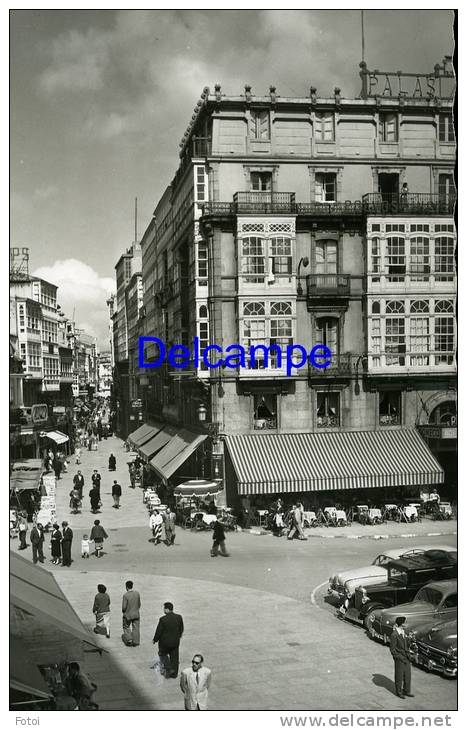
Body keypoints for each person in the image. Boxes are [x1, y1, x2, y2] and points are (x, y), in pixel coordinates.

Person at [152, 602, 184, 678]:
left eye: (164, 608)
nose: (163, 610)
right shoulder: (179, 617)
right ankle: (174, 673)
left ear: (167, 609)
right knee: (175, 657)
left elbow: (159, 631)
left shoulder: (163, 619)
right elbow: (181, 629)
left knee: (162, 654)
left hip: (165, 643)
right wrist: (178, 636)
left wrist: (155, 639)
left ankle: (167, 669)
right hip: (175, 642)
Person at [389, 616, 414, 699]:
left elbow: (406, 645)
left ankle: (407, 690)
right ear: (402, 624)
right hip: (399, 658)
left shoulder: (404, 632)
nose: (406, 624)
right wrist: (399, 657)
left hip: (406, 657)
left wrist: (409, 639)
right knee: (399, 675)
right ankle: (399, 692)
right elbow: (392, 649)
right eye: (405, 622)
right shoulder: (394, 635)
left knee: (407, 675)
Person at [122, 580, 141, 647]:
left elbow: (124, 607)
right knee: (136, 627)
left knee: (126, 626)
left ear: (126, 587)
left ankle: (129, 639)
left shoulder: (125, 595)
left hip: (128, 615)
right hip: (136, 614)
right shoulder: (137, 593)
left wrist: (124, 612)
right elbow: (139, 604)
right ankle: (136, 641)